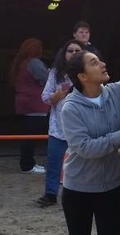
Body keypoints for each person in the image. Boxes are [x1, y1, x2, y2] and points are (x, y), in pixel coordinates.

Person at [60, 50, 120, 235]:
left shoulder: (116, 92)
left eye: (99, 60)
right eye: (94, 63)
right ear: (82, 76)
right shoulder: (70, 108)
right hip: (78, 191)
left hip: (111, 188)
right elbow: (86, 148)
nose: (102, 64)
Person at [35, 40, 84, 207]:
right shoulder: (55, 73)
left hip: (81, 128)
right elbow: (45, 97)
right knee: (54, 162)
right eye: (70, 50)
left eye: (78, 50)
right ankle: (50, 194)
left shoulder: (89, 73)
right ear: (64, 53)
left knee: (81, 164)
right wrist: (57, 96)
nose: (73, 53)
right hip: (58, 127)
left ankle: (79, 195)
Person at [8, 37, 49, 175]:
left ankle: (28, 163)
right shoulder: (35, 63)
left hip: (24, 103)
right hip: (35, 105)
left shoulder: (21, 63)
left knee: (28, 134)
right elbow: (46, 78)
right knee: (32, 136)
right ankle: (27, 165)